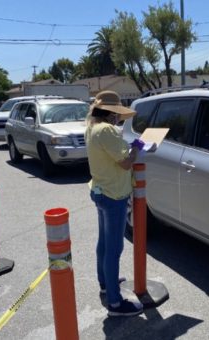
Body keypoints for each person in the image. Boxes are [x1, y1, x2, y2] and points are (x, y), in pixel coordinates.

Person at [85, 91, 142, 317]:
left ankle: (105, 282)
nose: (119, 118)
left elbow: (112, 153)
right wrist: (139, 146)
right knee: (114, 248)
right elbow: (126, 163)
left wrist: (128, 145)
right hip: (114, 195)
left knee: (104, 242)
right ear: (110, 113)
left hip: (100, 191)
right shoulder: (107, 130)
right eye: (117, 114)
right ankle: (115, 302)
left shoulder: (92, 128)